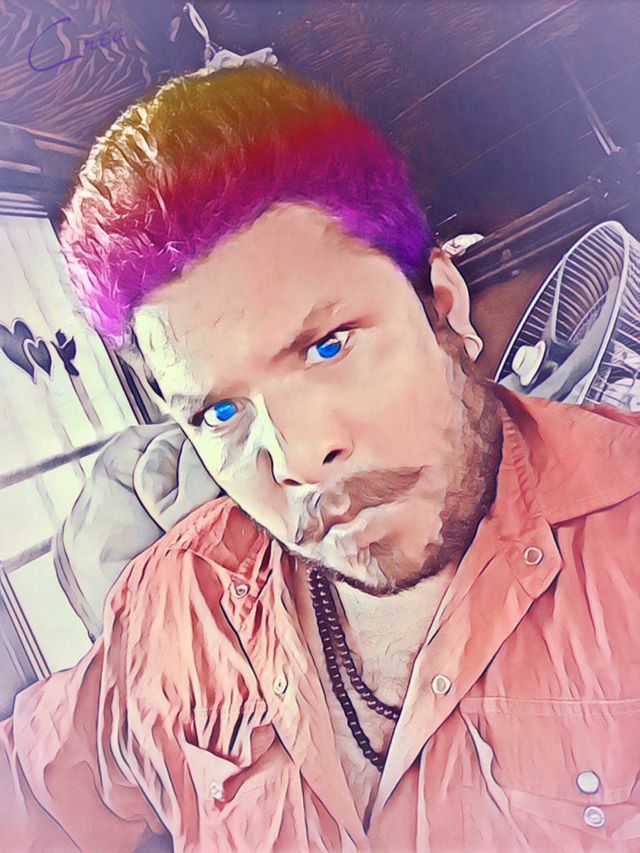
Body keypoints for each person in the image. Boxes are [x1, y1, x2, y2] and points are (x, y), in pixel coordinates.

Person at [2, 65, 640, 853]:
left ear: (442, 305)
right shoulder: (179, 605)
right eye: (221, 412)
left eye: (329, 346)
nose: (298, 457)